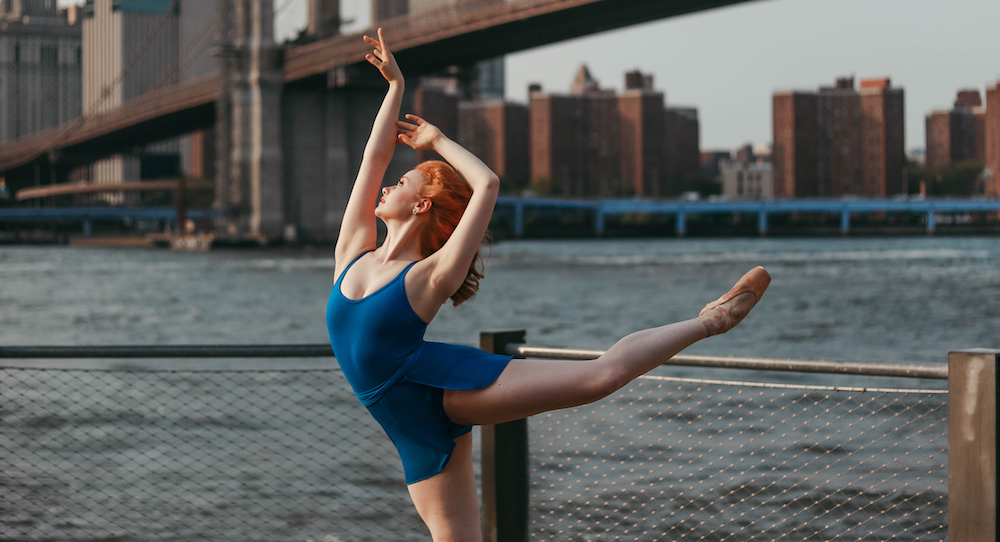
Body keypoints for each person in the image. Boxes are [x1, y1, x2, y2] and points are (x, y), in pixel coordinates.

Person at [326, 29, 771, 542]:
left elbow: (487, 185)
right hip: (404, 423)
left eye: (403, 184)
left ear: (421, 206)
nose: (386, 185)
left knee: (597, 378)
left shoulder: (429, 276)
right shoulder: (352, 251)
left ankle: (710, 320)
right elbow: (373, 159)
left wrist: (439, 143)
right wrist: (394, 89)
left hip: (439, 388)